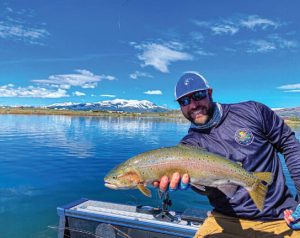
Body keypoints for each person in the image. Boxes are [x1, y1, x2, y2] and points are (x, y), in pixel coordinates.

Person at [154, 71, 300, 237]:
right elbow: (206, 189)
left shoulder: (252, 111)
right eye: (184, 101)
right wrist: (192, 184)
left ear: (209, 93)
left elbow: (290, 146)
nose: (193, 105)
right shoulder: (189, 145)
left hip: (282, 217)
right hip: (224, 219)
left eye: (198, 95)